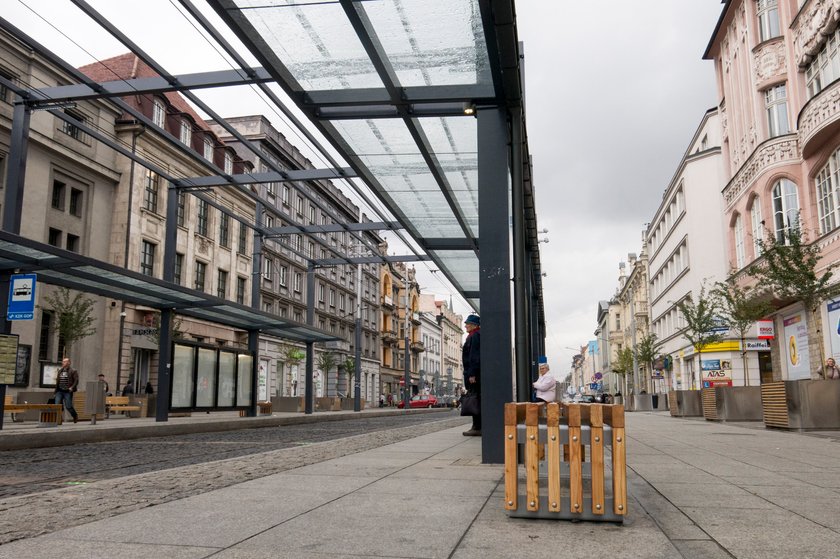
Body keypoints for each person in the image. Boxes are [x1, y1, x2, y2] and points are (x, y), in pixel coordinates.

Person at [462, 314, 481, 436]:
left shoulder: (475, 336)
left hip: (473, 374)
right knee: (476, 399)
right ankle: (476, 425)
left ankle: (477, 426)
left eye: (467, 324)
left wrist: (472, 374)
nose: (465, 326)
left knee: (474, 400)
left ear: (474, 325)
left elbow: (474, 356)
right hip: (473, 373)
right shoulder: (474, 335)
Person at [54, 357, 79, 424]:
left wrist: (72, 387)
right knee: (57, 405)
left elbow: (76, 381)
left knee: (68, 406)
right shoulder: (60, 371)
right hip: (59, 391)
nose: (63, 363)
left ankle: (75, 415)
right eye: (63, 361)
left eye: (65, 361)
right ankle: (59, 419)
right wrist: (55, 390)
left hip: (67, 391)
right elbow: (58, 381)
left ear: (69, 363)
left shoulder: (73, 371)